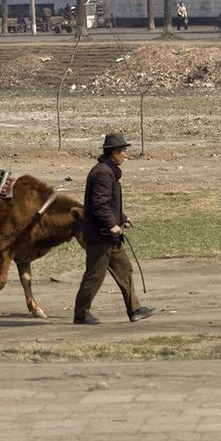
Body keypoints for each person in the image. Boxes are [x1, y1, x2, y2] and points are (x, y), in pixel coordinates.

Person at [74, 133, 155, 325]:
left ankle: (134, 310)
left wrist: (122, 218)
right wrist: (112, 224)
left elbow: (109, 203)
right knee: (94, 276)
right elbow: (99, 205)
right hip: (101, 237)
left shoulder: (108, 171)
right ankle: (81, 314)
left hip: (109, 237)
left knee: (125, 270)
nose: (125, 155)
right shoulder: (103, 173)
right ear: (114, 153)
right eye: (123, 151)